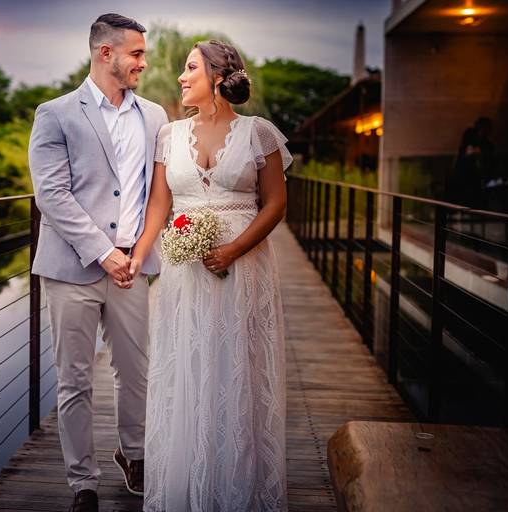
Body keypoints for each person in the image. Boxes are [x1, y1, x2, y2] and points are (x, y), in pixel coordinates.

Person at [128, 40, 292, 511]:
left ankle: (235, 487)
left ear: (218, 76)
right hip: (184, 273)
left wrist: (234, 249)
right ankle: (186, 484)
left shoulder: (259, 134)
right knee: (187, 364)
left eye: (190, 68)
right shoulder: (169, 136)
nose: (181, 77)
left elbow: (276, 203)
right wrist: (139, 256)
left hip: (245, 269)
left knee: (235, 364)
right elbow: (160, 205)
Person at [27, 13, 168, 512]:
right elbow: (51, 194)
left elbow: (158, 193)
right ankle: (82, 483)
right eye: (136, 54)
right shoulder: (56, 113)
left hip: (133, 269)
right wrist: (103, 252)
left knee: (137, 373)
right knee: (74, 379)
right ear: (105, 53)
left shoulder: (154, 117)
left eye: (143, 54)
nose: (143, 64)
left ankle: (135, 455)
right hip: (73, 269)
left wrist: (137, 253)